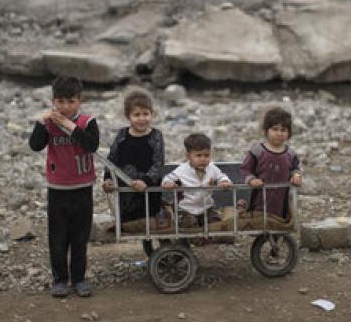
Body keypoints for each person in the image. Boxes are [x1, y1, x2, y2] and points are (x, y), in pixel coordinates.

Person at [29, 76, 99, 298]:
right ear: (53, 101)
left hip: (82, 188)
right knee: (58, 238)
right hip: (57, 189)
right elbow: (35, 145)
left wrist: (70, 126)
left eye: (71, 101)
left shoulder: (88, 122)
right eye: (60, 101)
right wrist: (41, 122)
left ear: (79, 101)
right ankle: (60, 280)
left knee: (80, 238)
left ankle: (79, 279)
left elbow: (92, 145)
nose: (65, 107)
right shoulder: (49, 123)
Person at [102, 87, 165, 225]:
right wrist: (107, 179)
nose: (142, 119)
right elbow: (112, 159)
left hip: (148, 190)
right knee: (130, 222)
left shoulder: (156, 136)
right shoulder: (122, 135)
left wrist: (146, 181)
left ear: (152, 114)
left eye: (146, 114)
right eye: (136, 115)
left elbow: (158, 163)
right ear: (128, 116)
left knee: (149, 221)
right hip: (126, 191)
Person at [240, 107, 302, 220]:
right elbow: (246, 169)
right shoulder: (257, 151)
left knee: (278, 221)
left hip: (280, 199)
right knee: (259, 220)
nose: (279, 133)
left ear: (289, 133)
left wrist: (296, 176)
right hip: (258, 199)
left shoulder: (290, 154)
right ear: (266, 130)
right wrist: (252, 180)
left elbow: (295, 168)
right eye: (275, 129)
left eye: (283, 130)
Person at [162, 133, 232, 227]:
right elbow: (168, 178)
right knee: (188, 224)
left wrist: (224, 181)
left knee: (216, 224)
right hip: (186, 208)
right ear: (188, 156)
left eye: (206, 155)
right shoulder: (182, 170)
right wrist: (168, 183)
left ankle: (209, 239)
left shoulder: (212, 168)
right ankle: (187, 240)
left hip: (206, 207)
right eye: (198, 156)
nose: (203, 159)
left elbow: (221, 176)